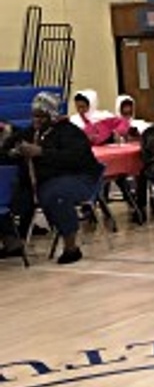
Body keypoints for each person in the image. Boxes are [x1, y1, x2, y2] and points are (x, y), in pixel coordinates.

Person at [0, 92, 104, 264]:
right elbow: (11, 145)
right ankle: (11, 241)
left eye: (42, 116)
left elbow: (74, 159)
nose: (37, 120)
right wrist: (13, 150)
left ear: (52, 114)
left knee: (57, 194)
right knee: (4, 196)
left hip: (78, 179)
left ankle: (71, 247)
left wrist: (41, 152)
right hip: (40, 184)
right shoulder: (32, 132)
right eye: (34, 116)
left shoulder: (70, 132)